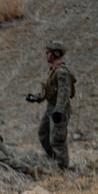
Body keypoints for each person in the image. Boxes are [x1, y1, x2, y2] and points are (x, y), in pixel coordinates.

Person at [27, 40, 75, 169]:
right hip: (51, 107)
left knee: (57, 139)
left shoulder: (61, 72)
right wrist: (36, 98)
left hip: (60, 108)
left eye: (48, 53)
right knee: (43, 133)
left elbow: (64, 93)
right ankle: (54, 159)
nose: (46, 55)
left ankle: (63, 167)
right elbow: (49, 91)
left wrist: (59, 111)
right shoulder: (53, 71)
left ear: (55, 54)